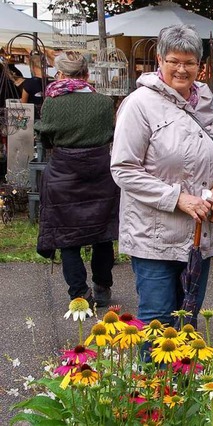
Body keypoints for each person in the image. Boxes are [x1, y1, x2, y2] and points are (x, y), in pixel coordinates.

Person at [111, 24, 213, 327]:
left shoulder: (206, 101)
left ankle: (181, 377)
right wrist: (177, 198)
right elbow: (123, 169)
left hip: (199, 235)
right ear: (160, 61)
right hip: (154, 237)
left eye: (189, 62)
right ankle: (151, 377)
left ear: (199, 65)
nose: (181, 69)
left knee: (188, 321)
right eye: (173, 61)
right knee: (158, 321)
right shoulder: (139, 104)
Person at [35, 51, 119, 307]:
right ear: (87, 74)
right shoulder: (105, 102)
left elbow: (46, 138)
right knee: (102, 231)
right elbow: (112, 134)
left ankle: (79, 292)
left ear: (60, 74)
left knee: (66, 235)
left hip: (64, 171)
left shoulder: (52, 102)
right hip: (100, 170)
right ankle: (102, 288)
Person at [21, 53, 51, 119]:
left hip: (33, 117)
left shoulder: (29, 83)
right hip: (49, 117)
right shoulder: (52, 81)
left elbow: (23, 104)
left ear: (32, 67)